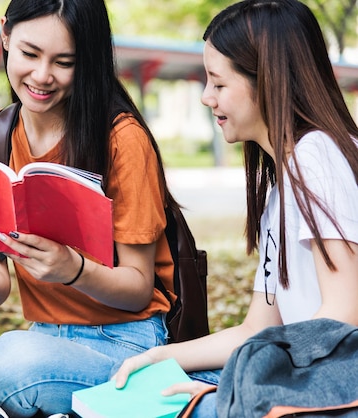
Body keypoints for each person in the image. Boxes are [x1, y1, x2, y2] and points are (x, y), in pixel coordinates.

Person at [0, 0, 179, 416]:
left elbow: (137, 291)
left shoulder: (121, 138)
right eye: (29, 53)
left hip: (125, 342)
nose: (42, 76)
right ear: (5, 33)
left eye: (65, 62)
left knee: (7, 365)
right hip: (44, 339)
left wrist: (72, 269)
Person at [113, 0, 358, 416]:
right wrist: (157, 358)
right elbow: (258, 328)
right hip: (310, 375)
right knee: (147, 391)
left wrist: (236, 385)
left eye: (218, 82)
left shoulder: (317, 156)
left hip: (335, 385)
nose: (208, 98)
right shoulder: (283, 183)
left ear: (267, 81)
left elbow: (342, 318)